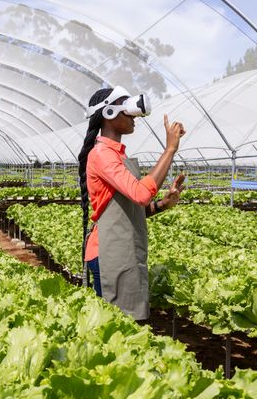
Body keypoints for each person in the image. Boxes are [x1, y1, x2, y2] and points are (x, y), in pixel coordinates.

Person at [79, 87, 186, 321]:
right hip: (109, 254)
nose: (134, 117)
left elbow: (129, 211)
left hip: (124, 251)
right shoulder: (101, 155)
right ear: (108, 112)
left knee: (125, 327)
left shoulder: (118, 155)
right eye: (127, 110)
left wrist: (163, 204)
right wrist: (170, 150)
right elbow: (140, 194)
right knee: (115, 330)